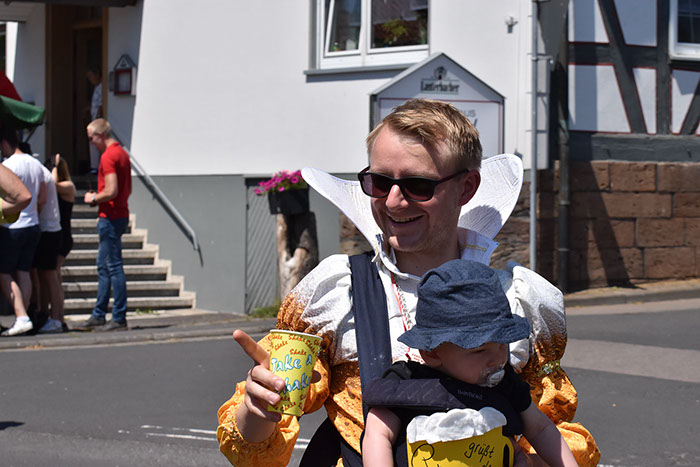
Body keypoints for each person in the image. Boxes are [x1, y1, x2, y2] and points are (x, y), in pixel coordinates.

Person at [217, 99, 600, 466]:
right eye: (380, 182)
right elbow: (261, 438)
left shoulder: (518, 298)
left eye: (418, 185)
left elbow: (549, 426)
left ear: (466, 187)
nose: (394, 201)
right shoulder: (336, 291)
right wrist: (259, 408)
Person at [361, 259, 578, 467]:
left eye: (502, 344)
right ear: (431, 353)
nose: (498, 359)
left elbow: (540, 429)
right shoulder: (405, 382)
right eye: (479, 350)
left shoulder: (506, 384)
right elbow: (377, 434)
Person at [74, 118, 132, 332]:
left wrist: (93, 198)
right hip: (118, 214)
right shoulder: (122, 153)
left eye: (91, 138)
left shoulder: (108, 156)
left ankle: (118, 317)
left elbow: (111, 190)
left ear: (100, 135)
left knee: (112, 267)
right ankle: (100, 314)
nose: (91, 143)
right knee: (105, 266)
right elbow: (125, 189)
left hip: (111, 216)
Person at [0, 126, 46, 336]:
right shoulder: (36, 164)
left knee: (4, 273)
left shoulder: (8, 165)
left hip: (13, 226)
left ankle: (21, 316)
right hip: (33, 224)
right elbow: (41, 198)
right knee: (24, 272)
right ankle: (24, 314)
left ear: (4, 143)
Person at [32, 158, 65, 334]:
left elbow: (41, 200)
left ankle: (57, 318)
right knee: (44, 275)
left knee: (50, 276)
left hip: (49, 229)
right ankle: (48, 314)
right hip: (49, 228)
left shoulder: (41, 174)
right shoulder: (42, 172)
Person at [52, 154, 75, 324]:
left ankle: (59, 315)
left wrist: (54, 165)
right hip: (57, 234)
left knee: (55, 276)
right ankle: (58, 314)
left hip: (64, 236)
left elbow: (53, 184)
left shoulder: (68, 186)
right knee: (55, 276)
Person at [86, 67, 103, 173]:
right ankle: (95, 167)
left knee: (95, 141)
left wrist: (98, 119)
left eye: (90, 76)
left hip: (98, 120)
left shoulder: (102, 87)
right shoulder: (97, 87)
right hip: (94, 119)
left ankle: (96, 167)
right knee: (93, 142)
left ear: (97, 74)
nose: (89, 79)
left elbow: (101, 105)